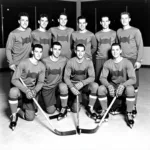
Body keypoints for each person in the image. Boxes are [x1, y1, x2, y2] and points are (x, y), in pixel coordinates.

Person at [97, 43, 136, 127]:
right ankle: (104, 111)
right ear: (111, 51)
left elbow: (133, 79)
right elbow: (102, 78)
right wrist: (109, 86)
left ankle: (129, 113)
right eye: (113, 50)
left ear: (120, 51)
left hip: (124, 87)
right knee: (100, 88)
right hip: (113, 86)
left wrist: (123, 85)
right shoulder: (107, 63)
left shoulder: (127, 62)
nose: (115, 52)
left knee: (131, 89)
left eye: (117, 50)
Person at [8, 44, 45, 130]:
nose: (38, 54)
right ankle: (13, 116)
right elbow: (14, 80)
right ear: (32, 52)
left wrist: (34, 91)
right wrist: (26, 90)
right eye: (36, 51)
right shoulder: (23, 63)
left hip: (31, 91)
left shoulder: (42, 66)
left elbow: (40, 82)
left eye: (40, 52)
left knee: (30, 118)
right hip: (21, 89)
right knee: (13, 91)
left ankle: (19, 110)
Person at [117, 12, 144, 117]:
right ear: (120, 20)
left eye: (126, 18)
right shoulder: (119, 31)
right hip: (122, 60)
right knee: (123, 82)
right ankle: (124, 104)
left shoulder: (135, 31)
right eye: (122, 18)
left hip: (132, 60)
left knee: (134, 84)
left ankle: (133, 106)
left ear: (129, 19)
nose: (124, 20)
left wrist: (139, 60)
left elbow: (140, 46)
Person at [64, 43, 98, 121]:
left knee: (95, 85)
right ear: (75, 51)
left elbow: (92, 77)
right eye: (78, 51)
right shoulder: (70, 62)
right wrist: (71, 87)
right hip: (74, 86)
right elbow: (66, 77)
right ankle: (71, 100)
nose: (80, 53)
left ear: (84, 52)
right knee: (75, 110)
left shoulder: (89, 62)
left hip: (84, 85)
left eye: (82, 51)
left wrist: (83, 83)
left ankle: (90, 107)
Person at [41, 42, 68, 120]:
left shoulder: (64, 59)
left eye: (59, 49)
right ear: (51, 49)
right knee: (51, 111)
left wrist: (85, 58)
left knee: (63, 86)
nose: (57, 51)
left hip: (57, 86)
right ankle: (48, 102)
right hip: (47, 88)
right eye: (55, 49)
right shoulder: (44, 61)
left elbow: (74, 60)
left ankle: (64, 107)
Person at [95, 16, 117, 83]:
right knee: (99, 78)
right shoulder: (97, 34)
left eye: (106, 21)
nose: (105, 23)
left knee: (111, 77)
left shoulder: (114, 33)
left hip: (110, 58)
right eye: (103, 21)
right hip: (99, 58)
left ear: (109, 22)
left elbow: (117, 47)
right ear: (100, 23)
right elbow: (95, 47)